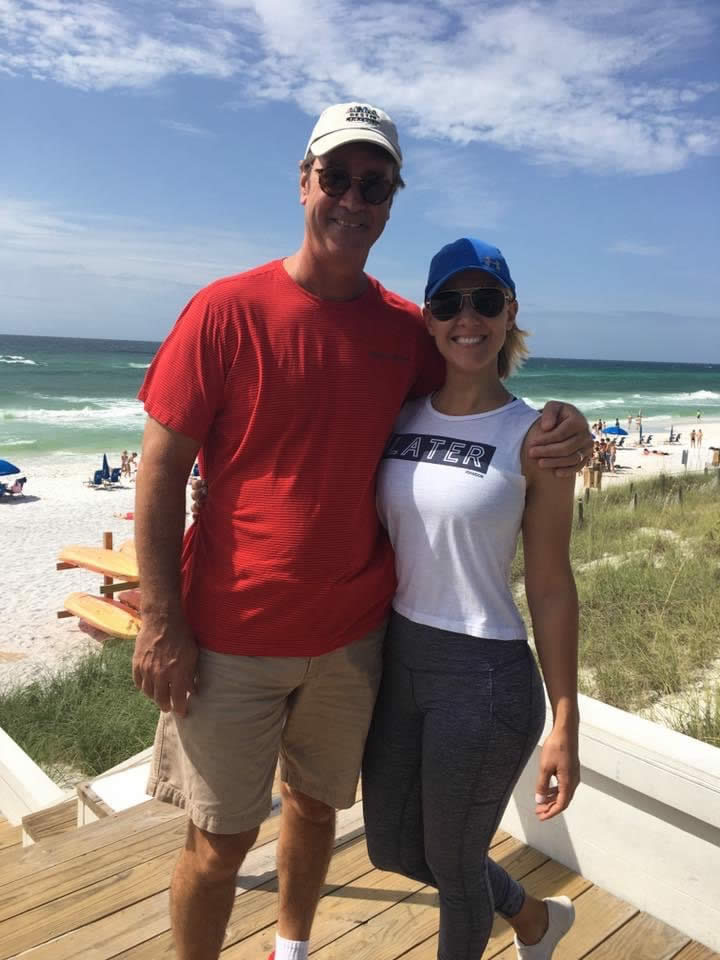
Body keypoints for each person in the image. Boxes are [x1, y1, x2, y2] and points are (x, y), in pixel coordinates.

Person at [132, 102, 591, 960]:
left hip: (355, 642)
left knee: (316, 808)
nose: (352, 197)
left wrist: (567, 422)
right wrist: (162, 620)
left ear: (390, 200)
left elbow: (478, 383)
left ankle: (292, 948)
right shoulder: (225, 310)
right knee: (218, 841)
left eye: (372, 183)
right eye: (335, 177)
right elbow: (158, 472)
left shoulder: (402, 331)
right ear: (304, 182)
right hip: (232, 631)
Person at [362, 239, 579, 960]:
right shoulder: (399, 417)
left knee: (456, 868)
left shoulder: (535, 437)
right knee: (394, 847)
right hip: (399, 660)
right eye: (449, 303)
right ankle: (535, 921)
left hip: (484, 675)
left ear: (509, 314)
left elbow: (551, 584)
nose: (468, 318)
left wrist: (565, 719)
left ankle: (522, 927)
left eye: (485, 301)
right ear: (427, 319)